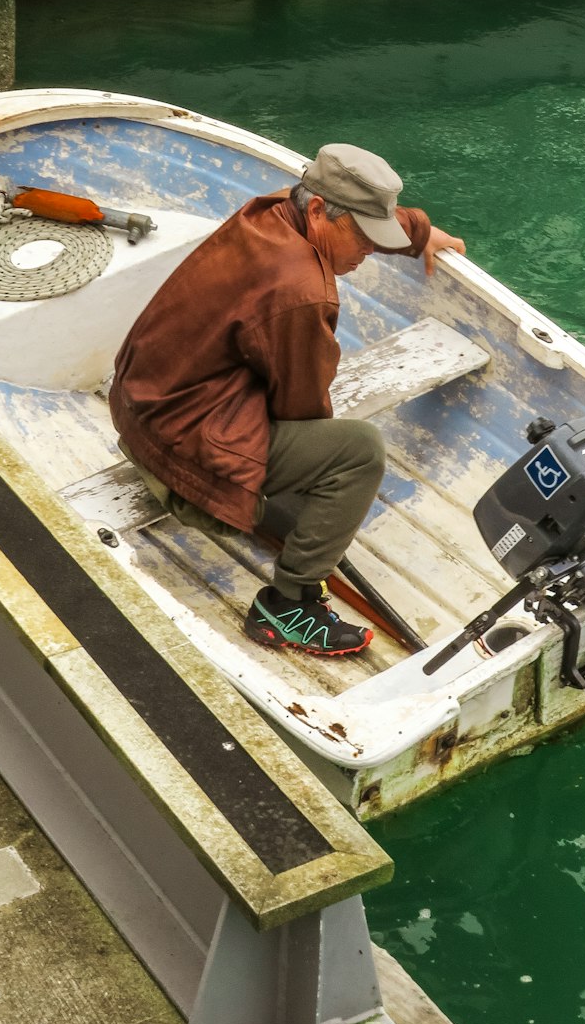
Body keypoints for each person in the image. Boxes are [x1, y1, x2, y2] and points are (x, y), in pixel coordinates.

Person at [109, 143, 465, 657]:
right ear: (319, 210)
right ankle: (288, 604)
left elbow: (361, 220)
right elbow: (301, 405)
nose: (369, 252)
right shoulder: (301, 289)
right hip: (175, 453)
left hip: (138, 406)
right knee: (358, 452)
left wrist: (418, 233)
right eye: (364, 239)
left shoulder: (274, 209)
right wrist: (320, 479)